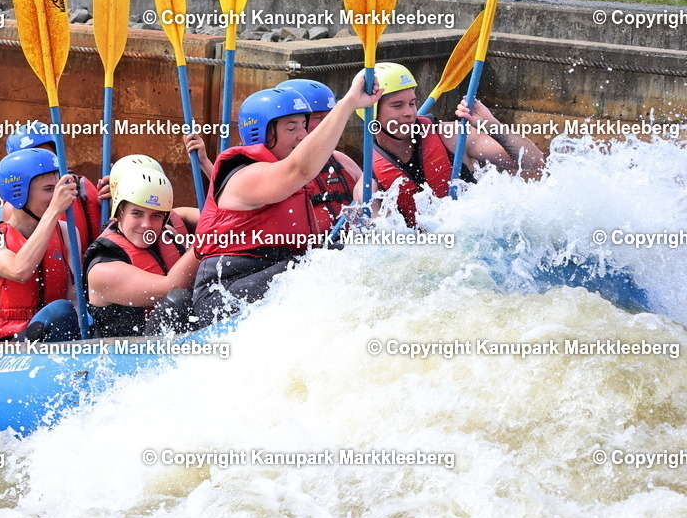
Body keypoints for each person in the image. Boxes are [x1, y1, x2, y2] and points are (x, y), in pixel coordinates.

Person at [192, 72, 380, 324]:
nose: (302, 136)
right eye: (291, 128)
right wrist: (348, 103)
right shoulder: (246, 176)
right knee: (318, 265)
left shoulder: (304, 172)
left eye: (304, 126)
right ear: (261, 133)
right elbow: (299, 169)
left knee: (342, 254)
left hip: (273, 276)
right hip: (223, 293)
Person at [369, 62, 546, 228]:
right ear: (371, 113)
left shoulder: (454, 136)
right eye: (397, 105)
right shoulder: (369, 184)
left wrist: (491, 124)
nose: (409, 113)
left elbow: (535, 162)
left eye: (412, 103)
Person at [0, 148, 81, 342]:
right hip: (8, 342)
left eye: (58, 189)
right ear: (18, 194)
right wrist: (54, 210)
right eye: (49, 190)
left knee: (65, 311)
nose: (57, 197)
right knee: (59, 311)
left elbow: (73, 300)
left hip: (57, 334)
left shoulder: (67, 232)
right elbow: (19, 271)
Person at [84, 168, 199, 337]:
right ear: (120, 212)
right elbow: (171, 286)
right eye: (137, 213)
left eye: (156, 216)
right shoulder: (102, 270)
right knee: (177, 300)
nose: (147, 224)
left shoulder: (167, 234)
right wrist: (208, 240)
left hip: (163, 343)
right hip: (123, 357)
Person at [6, 121, 101, 250]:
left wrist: (113, 205)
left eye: (49, 156)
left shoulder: (81, 185)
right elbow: (17, 264)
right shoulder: (15, 206)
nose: (44, 165)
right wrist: (55, 208)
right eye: (35, 161)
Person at [276, 78, 363, 219]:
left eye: (332, 118)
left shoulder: (341, 161)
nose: (332, 127)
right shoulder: (265, 170)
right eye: (320, 119)